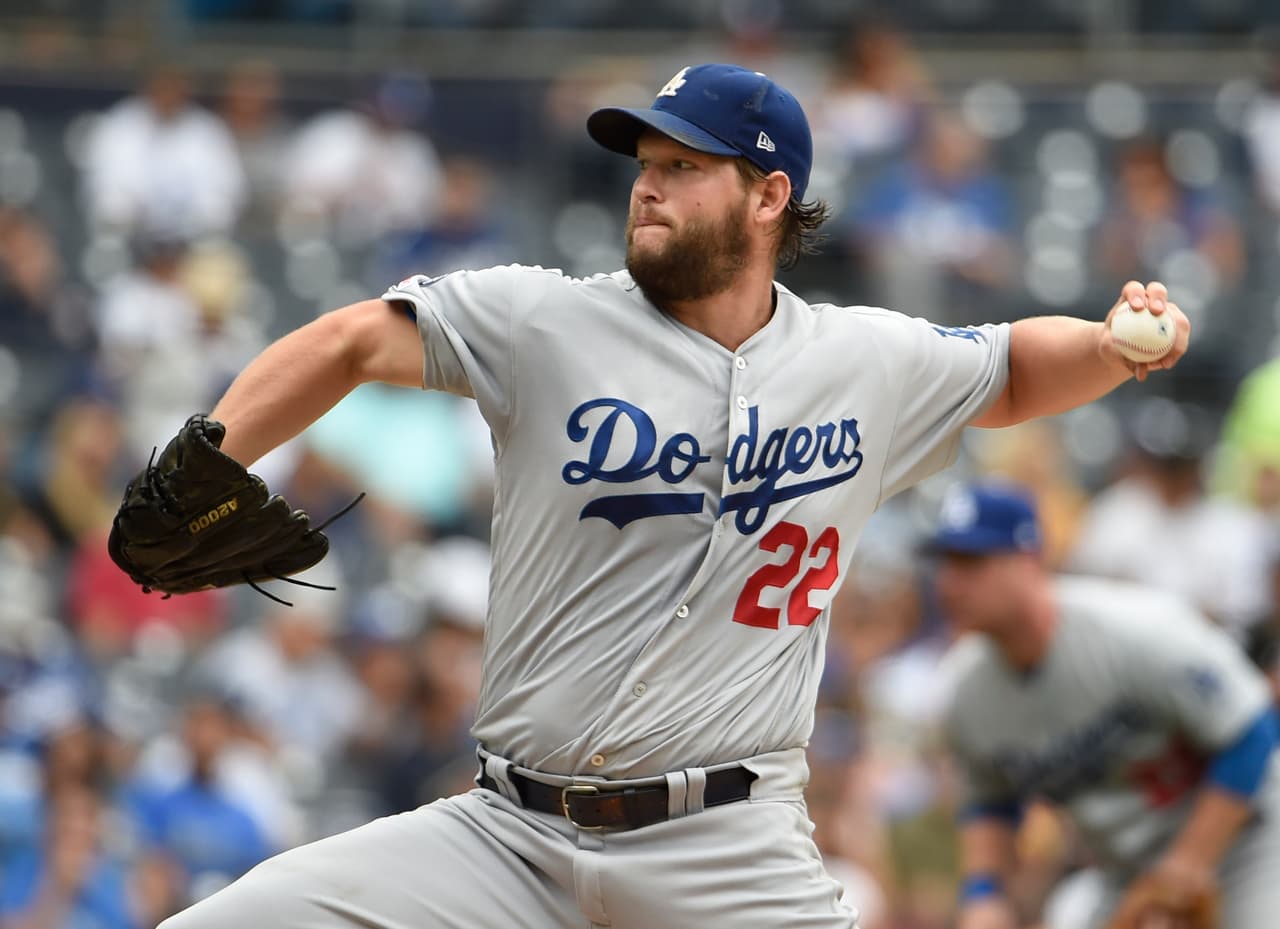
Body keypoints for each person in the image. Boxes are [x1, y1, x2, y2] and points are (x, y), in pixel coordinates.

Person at [151, 63, 1189, 929]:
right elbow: (348, 341)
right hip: (506, 838)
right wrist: (209, 456)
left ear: (768, 195)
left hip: (729, 853)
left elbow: (1011, 367)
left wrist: (1109, 348)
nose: (646, 187)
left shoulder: (861, 360)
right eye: (644, 165)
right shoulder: (543, 322)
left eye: (683, 167)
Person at [931, 482, 1280, 929]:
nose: (949, 584)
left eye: (970, 563)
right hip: (1128, 874)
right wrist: (985, 896)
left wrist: (1186, 865)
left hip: (1249, 843)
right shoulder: (964, 691)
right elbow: (989, 800)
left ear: (1029, 560)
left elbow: (1252, 732)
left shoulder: (1134, 630)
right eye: (944, 563)